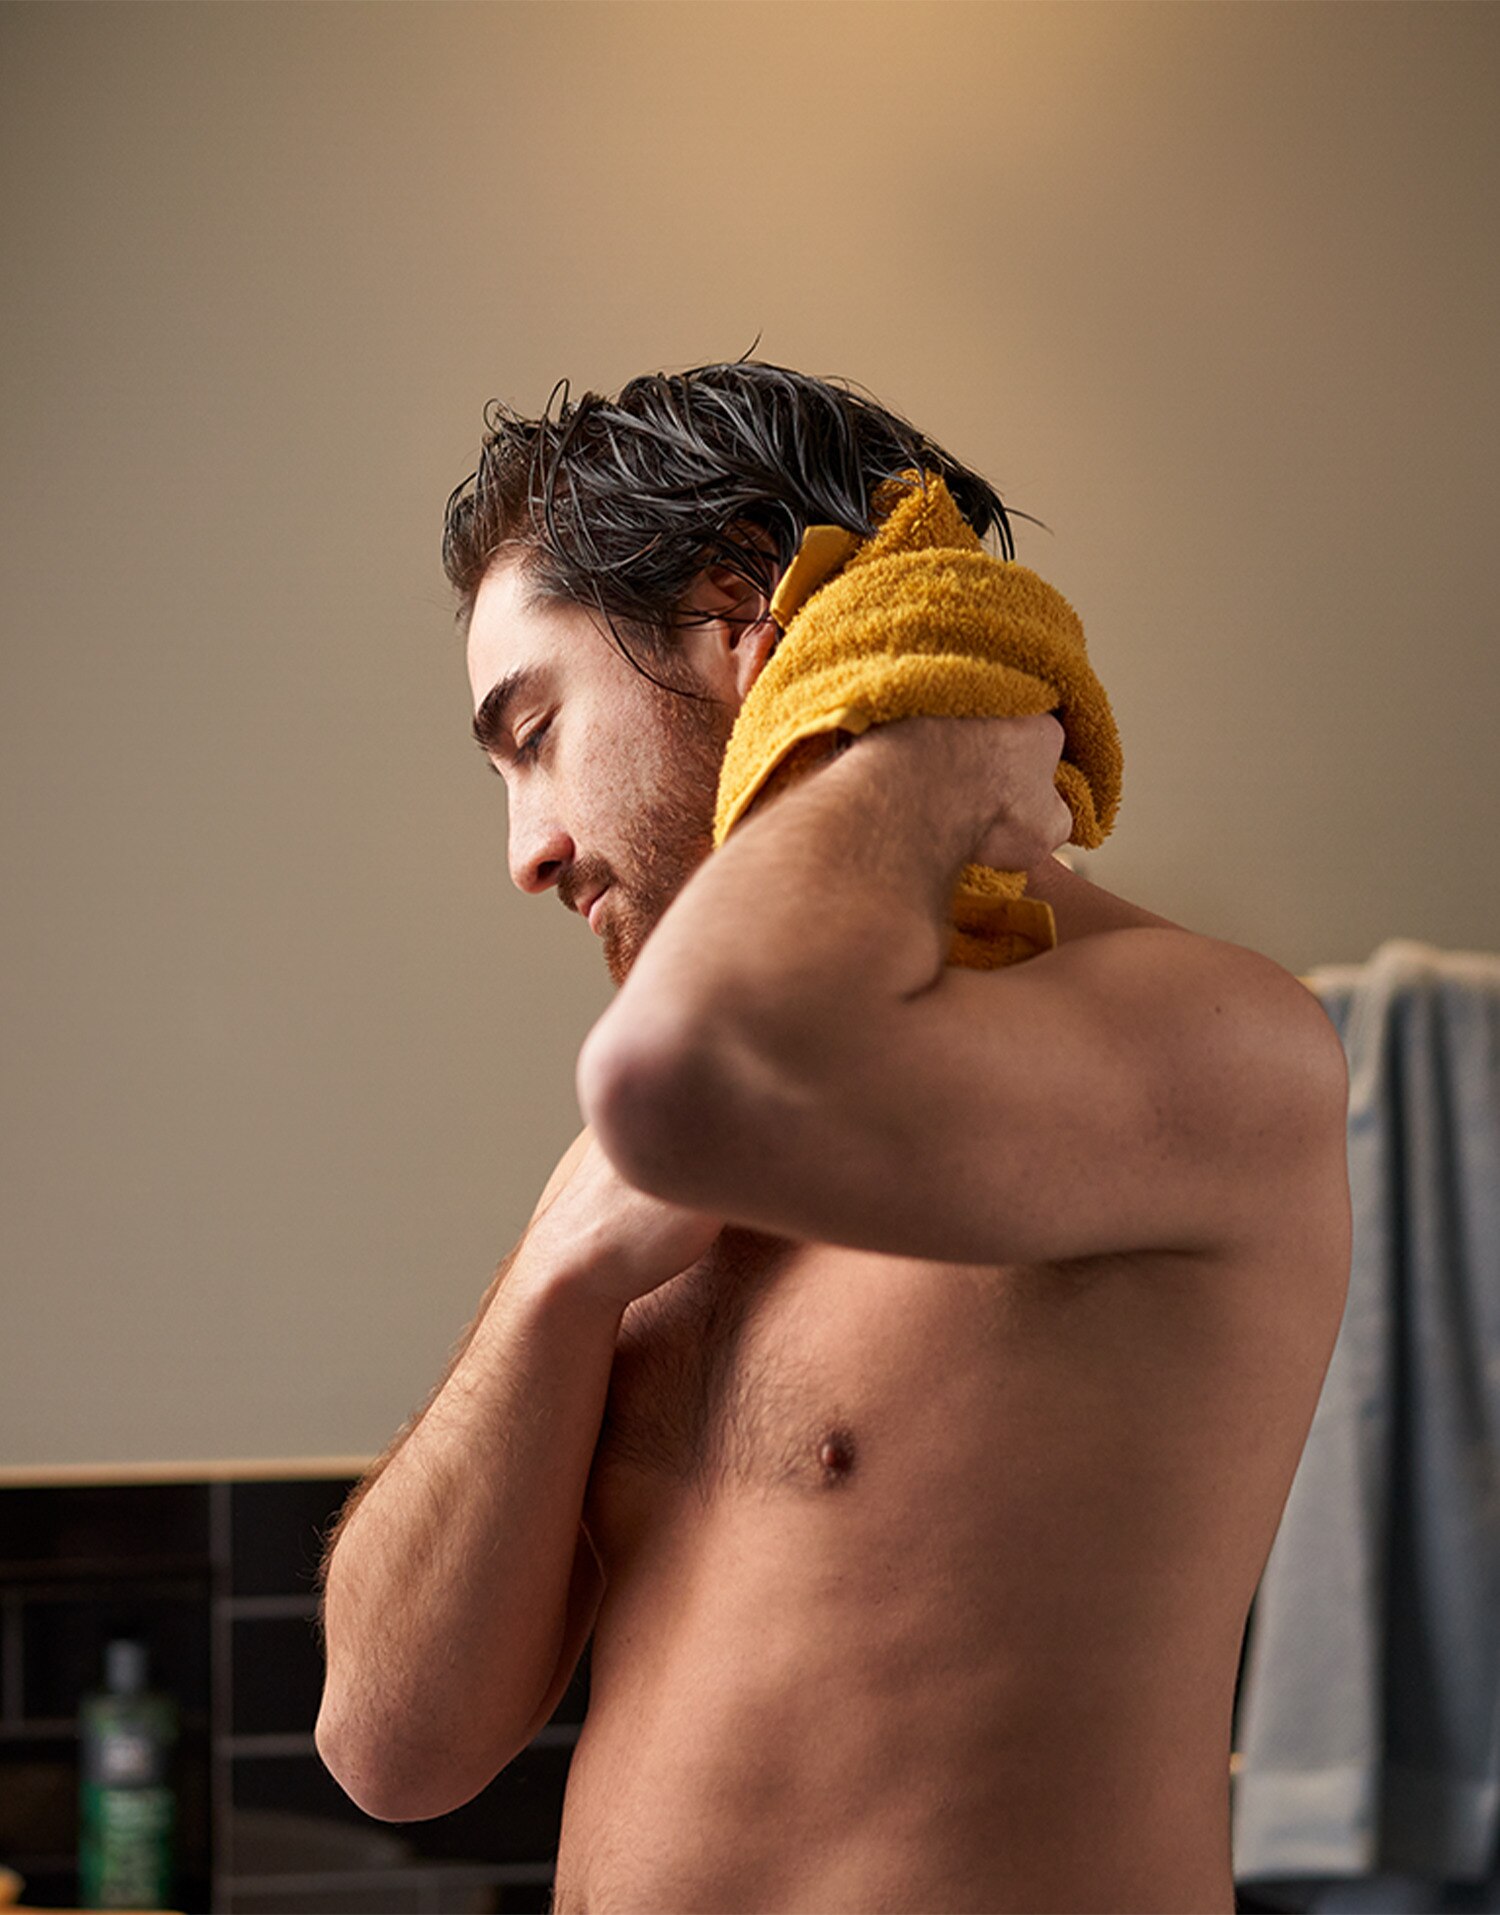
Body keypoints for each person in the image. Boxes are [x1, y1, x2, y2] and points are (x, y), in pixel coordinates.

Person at [313, 360, 1352, 1914]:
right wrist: (555, 1284)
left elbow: (685, 1070)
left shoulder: (1208, 1041)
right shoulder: (652, 1144)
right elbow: (389, 1751)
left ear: (746, 616)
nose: (527, 851)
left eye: (535, 731)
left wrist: (928, 741)